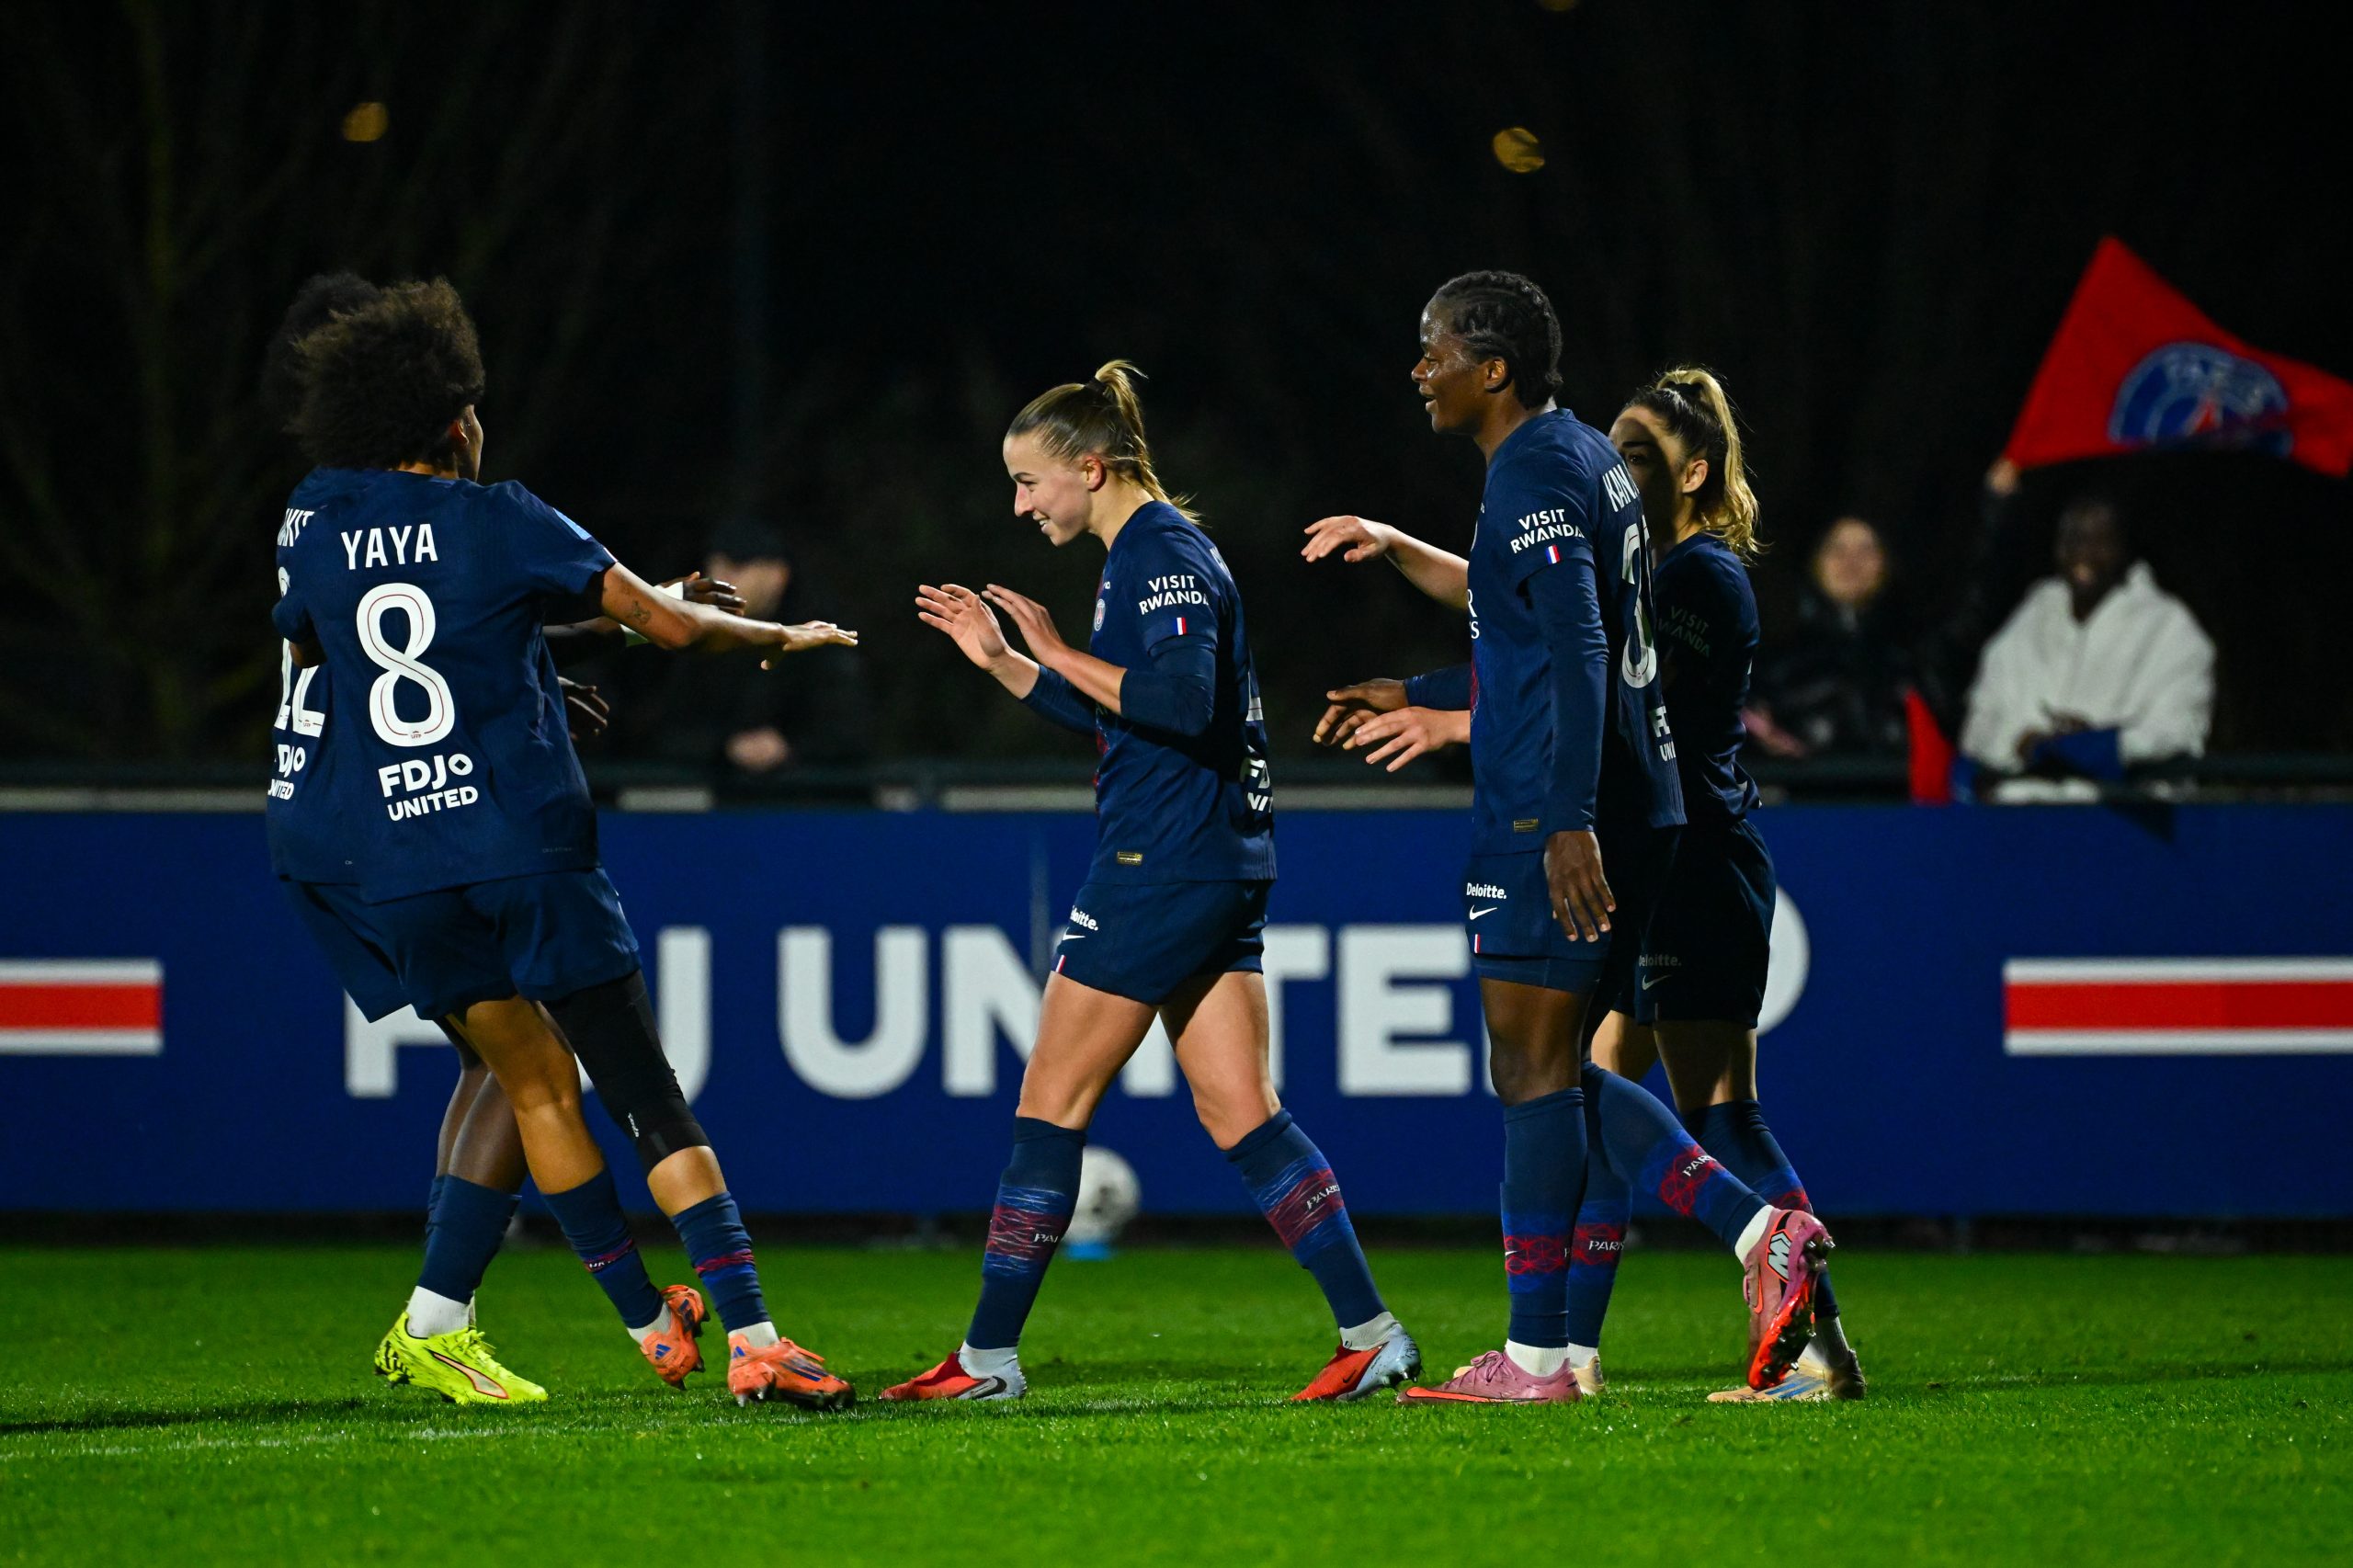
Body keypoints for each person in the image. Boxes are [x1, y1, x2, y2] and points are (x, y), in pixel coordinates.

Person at [275, 277, 858, 1409]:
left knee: (533, 1085)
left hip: (401, 863)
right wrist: (778, 636)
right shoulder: (499, 514)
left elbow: (329, 658)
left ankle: (645, 1324)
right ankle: (755, 1336)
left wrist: (521, 670)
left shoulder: (318, 523)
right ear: (455, 421)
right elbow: (672, 623)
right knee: (645, 1092)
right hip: (523, 843)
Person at [1304, 272, 1829, 1403]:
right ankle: (1550, 1353)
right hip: (1636, 805)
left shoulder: (1538, 468)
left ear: (1492, 368)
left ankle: (1744, 1241)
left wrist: (1565, 818)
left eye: (1435, 349)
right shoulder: (1585, 457)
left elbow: (1583, 647)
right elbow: (1534, 634)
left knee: (1539, 1068)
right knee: (1550, 1070)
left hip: (1564, 806)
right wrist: (1425, 685)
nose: (1419, 369)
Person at [889, 361, 1420, 1403]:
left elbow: (1178, 702)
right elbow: (1125, 716)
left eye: (1029, 482)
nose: (1020, 505)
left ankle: (987, 1359)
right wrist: (1006, 662)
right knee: (1241, 1110)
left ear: (1090, 468)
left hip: (1161, 862)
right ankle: (1374, 1334)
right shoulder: (1144, 553)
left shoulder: (1160, 554)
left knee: (1050, 1102)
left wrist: (1053, 647)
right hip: (1214, 858)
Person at [1564, 368, 1866, 1402]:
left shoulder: (1698, 578)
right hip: (1679, 861)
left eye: (1637, 453)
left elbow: (1621, 697)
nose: (1615, 469)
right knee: (1604, 1094)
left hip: (1693, 865)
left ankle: (1816, 1350)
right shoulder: (1659, 569)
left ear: (1693, 472)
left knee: (1717, 1113)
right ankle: (1572, 1353)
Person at [1960, 493, 2214, 798]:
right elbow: (1979, 723)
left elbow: (2179, 733)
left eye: (2099, 541)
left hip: (2116, 815)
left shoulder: (2168, 627)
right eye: (2072, 539)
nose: (2082, 553)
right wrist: (2021, 741)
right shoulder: (2034, 615)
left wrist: (2101, 744)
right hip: (2025, 814)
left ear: (2123, 549)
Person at [1747, 516, 1913, 760]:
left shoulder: (1912, 657)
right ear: (1815, 561)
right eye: (1837, 549)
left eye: (1866, 550)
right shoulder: (1774, 663)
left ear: (1887, 562)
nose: (1851, 562)